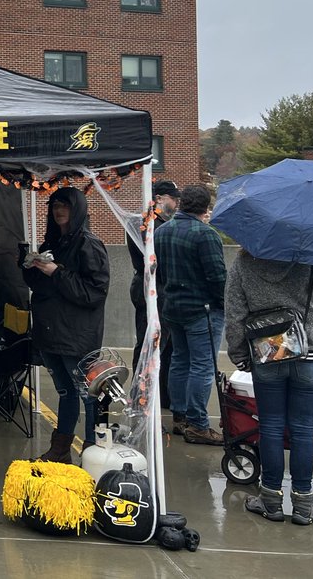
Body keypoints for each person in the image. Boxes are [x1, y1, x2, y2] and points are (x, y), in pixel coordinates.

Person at [225, 250, 313, 525]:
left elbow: (235, 312)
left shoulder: (245, 260)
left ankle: (270, 500)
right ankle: (303, 504)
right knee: (303, 429)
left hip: (267, 352)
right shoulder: (311, 256)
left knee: (271, 427)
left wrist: (239, 354)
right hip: (309, 354)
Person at [23, 186, 110, 463]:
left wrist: (57, 272)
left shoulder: (88, 243)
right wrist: (29, 266)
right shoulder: (54, 242)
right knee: (65, 392)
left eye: (65, 206)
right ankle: (60, 450)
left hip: (76, 335)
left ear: (78, 209)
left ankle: (92, 452)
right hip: (51, 333)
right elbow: (42, 287)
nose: (59, 211)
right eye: (55, 206)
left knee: (88, 395)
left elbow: (94, 292)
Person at [156, 184, 227, 445]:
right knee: (202, 367)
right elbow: (218, 277)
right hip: (202, 310)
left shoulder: (161, 232)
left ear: (181, 203)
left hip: (173, 307)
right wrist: (223, 305)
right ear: (206, 208)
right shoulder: (206, 235)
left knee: (179, 361)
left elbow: (159, 274)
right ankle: (198, 424)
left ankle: (180, 417)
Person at [128, 179, 180, 414]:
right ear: (159, 198)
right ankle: (142, 394)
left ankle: (162, 394)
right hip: (151, 288)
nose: (176, 204)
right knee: (150, 343)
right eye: (173, 199)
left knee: (165, 345)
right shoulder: (148, 224)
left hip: (159, 288)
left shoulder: (158, 223)